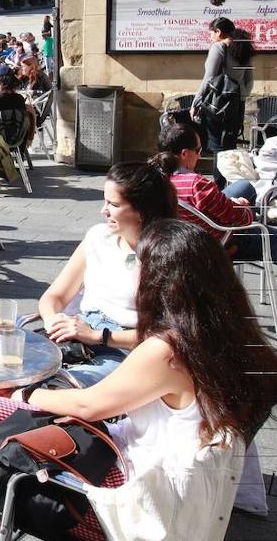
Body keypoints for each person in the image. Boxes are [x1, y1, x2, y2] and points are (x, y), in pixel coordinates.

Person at [0, 220, 277, 541]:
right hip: (179, 498)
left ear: (164, 280)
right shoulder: (234, 339)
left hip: (135, 502)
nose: (134, 271)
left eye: (141, 263)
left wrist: (26, 390)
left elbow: (89, 405)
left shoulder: (168, 350)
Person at [152, 121, 277, 317]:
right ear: (184, 154)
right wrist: (245, 208)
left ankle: (243, 200)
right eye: (198, 150)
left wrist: (227, 202)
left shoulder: (155, 180)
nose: (199, 155)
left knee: (244, 186)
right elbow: (239, 219)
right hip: (219, 241)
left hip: (181, 239)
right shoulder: (196, 183)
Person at [36, 162, 177, 387]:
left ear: (141, 211)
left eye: (113, 204)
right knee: (7, 365)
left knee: (58, 387)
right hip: (78, 333)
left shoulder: (165, 255)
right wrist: (54, 320)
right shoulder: (98, 237)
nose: (104, 210)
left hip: (124, 349)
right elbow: (54, 296)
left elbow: (166, 335)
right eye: (105, 201)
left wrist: (97, 336)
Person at [191, 17, 254, 188]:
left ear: (218, 32)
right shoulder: (243, 49)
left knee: (219, 148)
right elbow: (249, 82)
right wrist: (238, 96)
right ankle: (229, 187)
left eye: (211, 33)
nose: (210, 37)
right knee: (229, 146)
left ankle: (218, 189)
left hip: (217, 106)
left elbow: (209, 78)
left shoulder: (219, 47)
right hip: (237, 106)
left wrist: (196, 102)